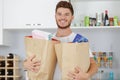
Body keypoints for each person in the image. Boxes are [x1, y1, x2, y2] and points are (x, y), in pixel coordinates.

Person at [23, 1, 98, 80]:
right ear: (55, 16)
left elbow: (94, 64)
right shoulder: (48, 40)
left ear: (72, 17)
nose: (62, 17)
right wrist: (25, 64)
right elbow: (33, 59)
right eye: (59, 14)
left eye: (66, 14)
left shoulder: (80, 40)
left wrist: (87, 75)